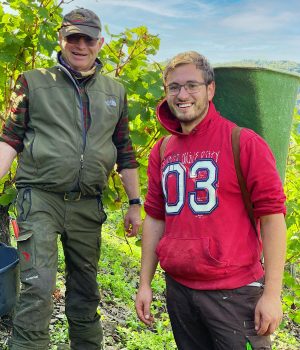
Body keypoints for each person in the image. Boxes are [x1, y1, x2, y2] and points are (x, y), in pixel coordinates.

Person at [0, 8, 142, 350]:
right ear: (61, 40)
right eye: (73, 37)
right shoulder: (32, 81)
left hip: (87, 206)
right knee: (38, 285)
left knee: (86, 288)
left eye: (88, 38)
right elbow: (9, 140)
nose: (80, 45)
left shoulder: (115, 92)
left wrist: (135, 203)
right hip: (40, 198)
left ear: (100, 43)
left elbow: (124, 151)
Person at [135, 51, 286, 350]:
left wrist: (272, 294)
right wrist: (145, 283)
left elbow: (272, 218)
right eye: (174, 87)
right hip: (179, 290)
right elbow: (155, 217)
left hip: (235, 294)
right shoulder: (163, 150)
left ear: (210, 89)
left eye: (192, 85)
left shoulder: (244, 142)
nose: (182, 94)